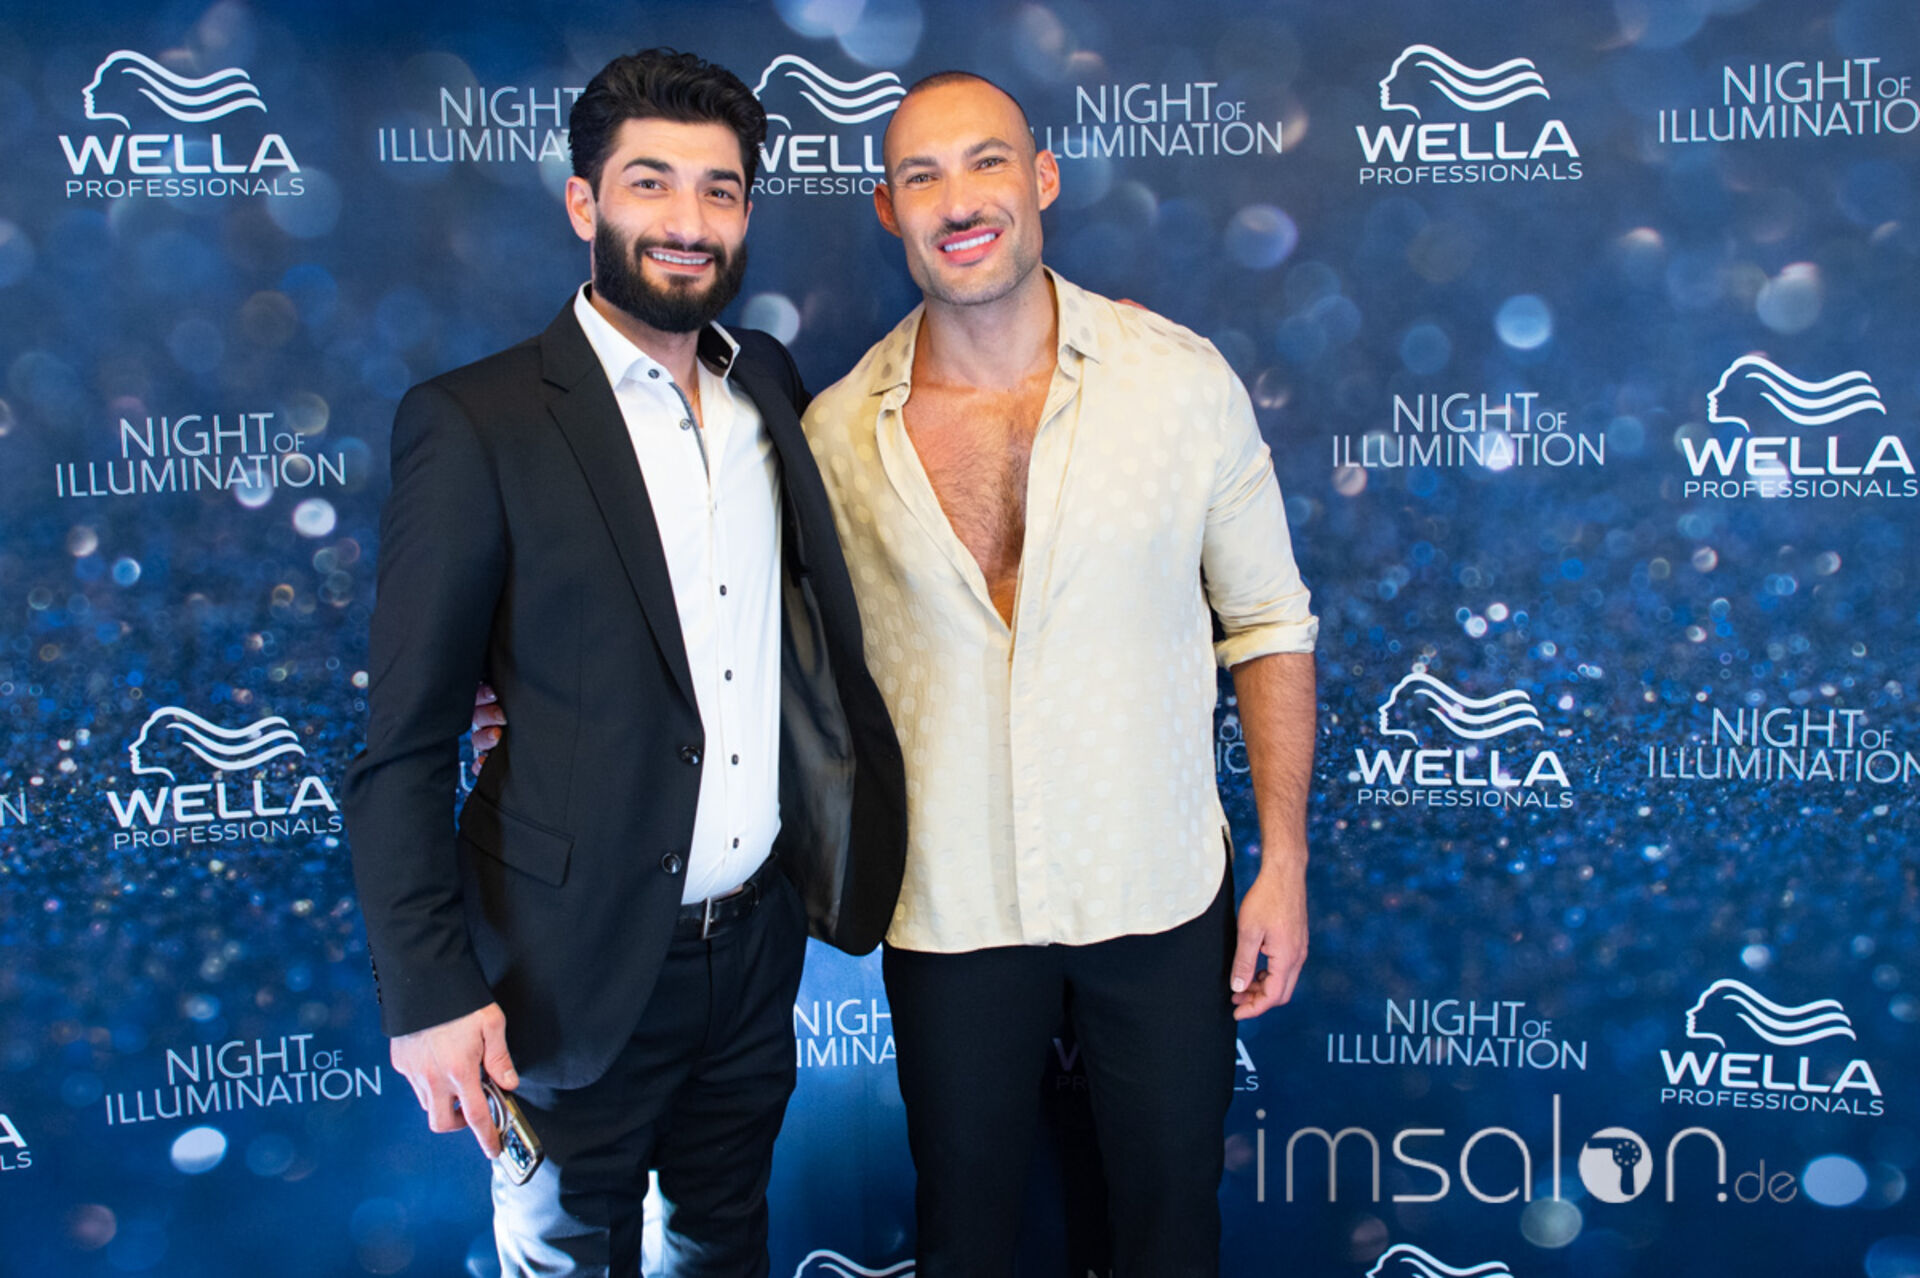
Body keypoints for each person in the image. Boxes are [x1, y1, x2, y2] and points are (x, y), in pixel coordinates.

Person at [342, 48, 905, 1276]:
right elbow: (403, 749)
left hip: (753, 953)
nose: (687, 221)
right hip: (563, 967)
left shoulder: (769, 381)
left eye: (719, 190)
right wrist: (429, 995)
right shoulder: (476, 422)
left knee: (722, 1246)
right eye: (651, 183)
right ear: (583, 203)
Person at [799, 72, 1319, 1277]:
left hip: (1158, 891)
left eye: (986, 162)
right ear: (887, 208)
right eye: (921, 176)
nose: (957, 200)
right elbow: (768, 650)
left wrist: (1285, 861)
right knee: (966, 1238)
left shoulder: (1178, 381)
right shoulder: (836, 434)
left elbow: (1268, 623)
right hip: (951, 909)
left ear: (1041, 179)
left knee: (1169, 1235)